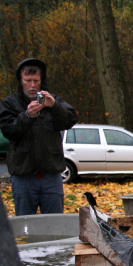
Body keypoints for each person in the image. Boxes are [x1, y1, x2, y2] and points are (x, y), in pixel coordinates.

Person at [0, 58, 78, 216]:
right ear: (20, 81)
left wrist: (54, 106)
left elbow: (70, 120)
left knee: (55, 225)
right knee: (26, 225)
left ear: (41, 81)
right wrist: (27, 116)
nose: (32, 85)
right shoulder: (9, 104)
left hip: (51, 175)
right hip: (23, 176)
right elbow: (9, 131)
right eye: (27, 80)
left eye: (36, 80)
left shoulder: (53, 100)